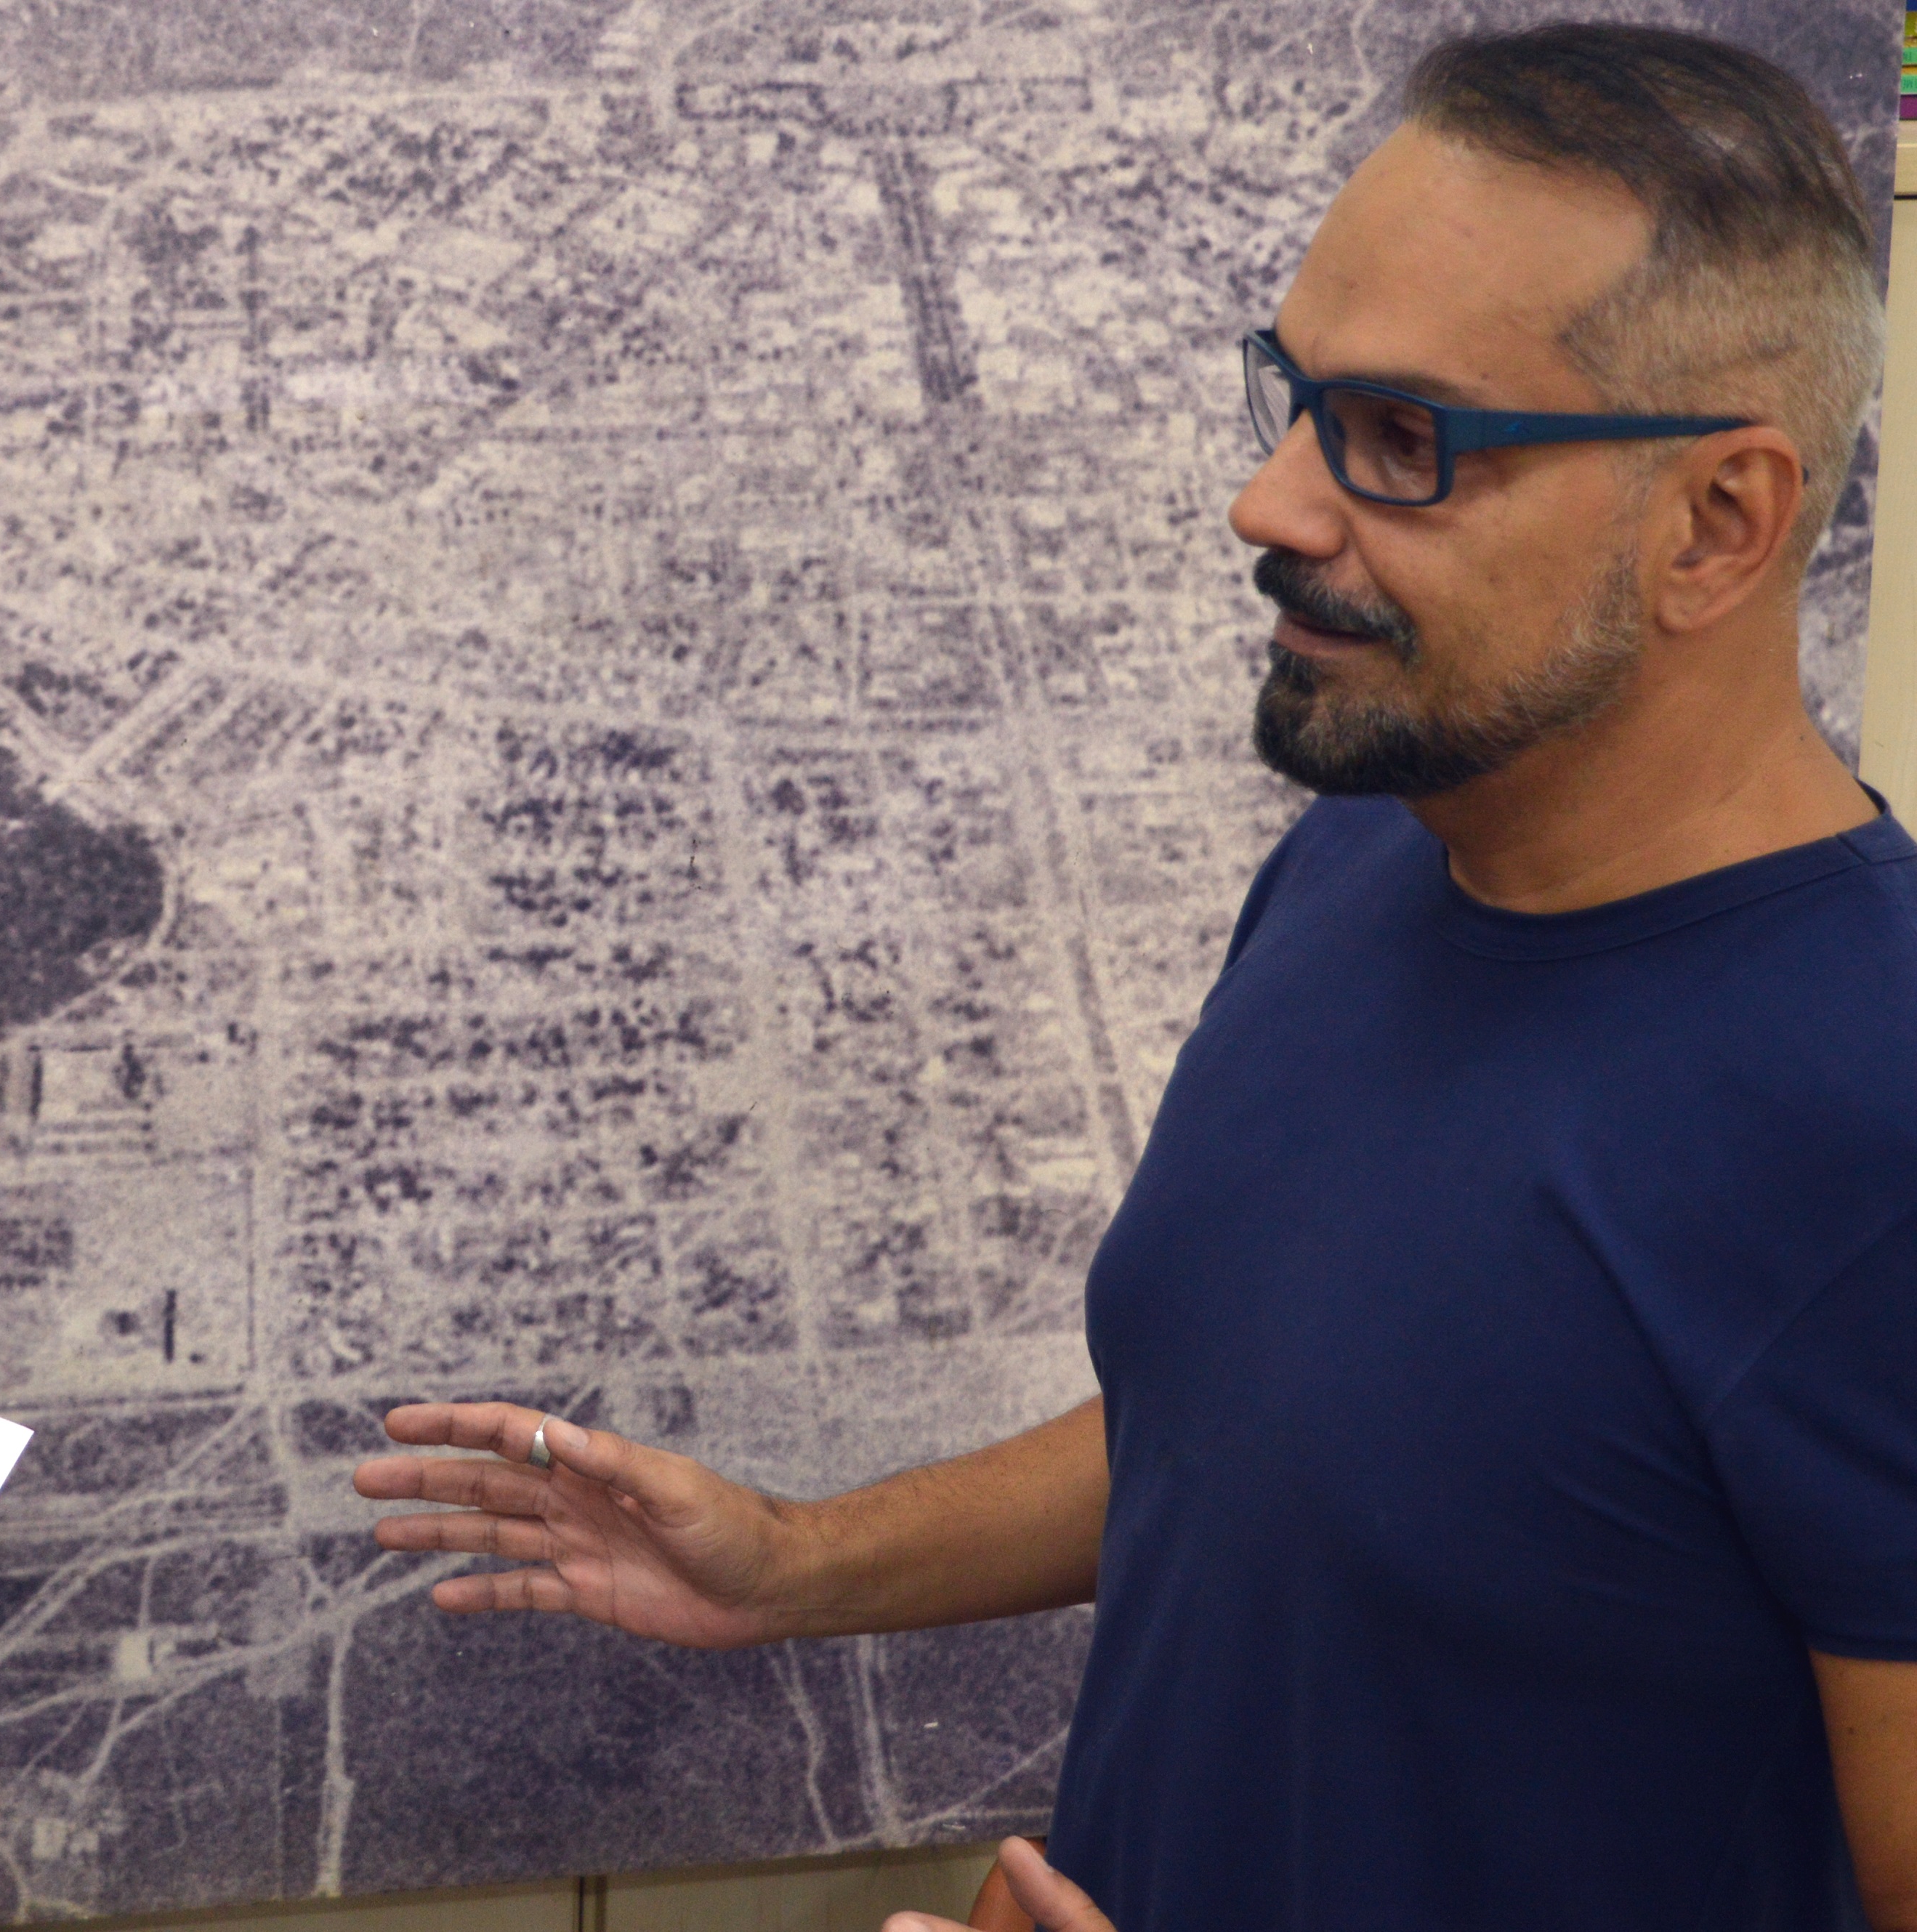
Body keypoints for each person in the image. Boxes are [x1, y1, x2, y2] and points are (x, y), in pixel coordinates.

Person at [356, 25, 1917, 1932]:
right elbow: (1283, 1433)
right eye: (1294, 393)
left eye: (1404, 438)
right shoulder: (1361, 863)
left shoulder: (1872, 1117)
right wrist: (795, 1563)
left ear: (1720, 522)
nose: (1271, 502)